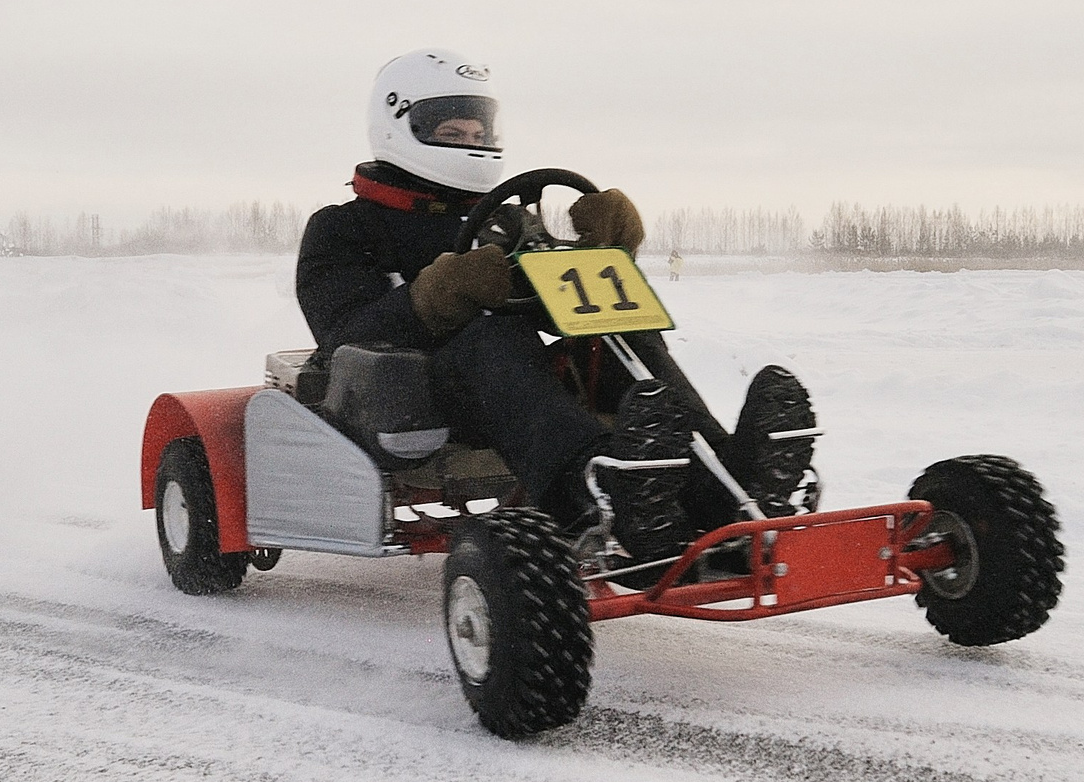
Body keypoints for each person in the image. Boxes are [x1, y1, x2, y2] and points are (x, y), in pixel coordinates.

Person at [294, 50, 814, 561]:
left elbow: (557, 307)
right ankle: (593, 492)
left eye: (479, 135)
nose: (471, 145)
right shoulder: (342, 227)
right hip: (404, 398)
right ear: (398, 126)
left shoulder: (503, 222)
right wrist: (431, 298)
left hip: (512, 393)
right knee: (491, 338)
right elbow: (344, 335)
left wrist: (608, 255)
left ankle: (725, 483)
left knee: (618, 336)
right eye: (454, 135)